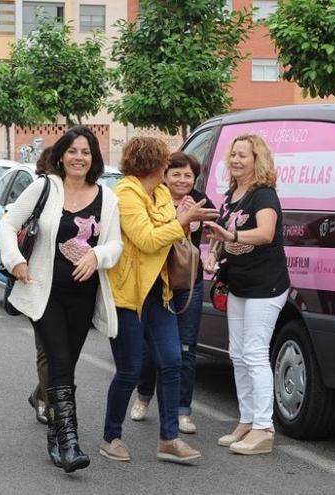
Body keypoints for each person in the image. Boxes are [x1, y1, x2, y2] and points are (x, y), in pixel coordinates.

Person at [0, 126, 123, 473]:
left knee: (64, 364)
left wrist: (97, 255)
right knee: (59, 358)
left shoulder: (106, 197)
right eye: (72, 151)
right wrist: (16, 261)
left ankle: (56, 434)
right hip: (44, 291)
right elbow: (7, 225)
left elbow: (116, 244)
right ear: (62, 155)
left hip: (84, 296)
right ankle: (69, 443)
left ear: (94, 158)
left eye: (85, 151)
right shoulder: (44, 188)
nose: (79, 157)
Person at [100, 137, 218, 464]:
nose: (170, 168)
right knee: (130, 369)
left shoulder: (162, 193)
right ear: (155, 165)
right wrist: (180, 222)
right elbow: (149, 239)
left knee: (172, 361)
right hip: (129, 295)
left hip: (160, 291)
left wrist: (177, 223)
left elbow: (166, 232)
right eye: (165, 162)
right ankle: (111, 436)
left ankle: (169, 439)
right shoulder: (124, 194)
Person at [203, 133, 291, 455]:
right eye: (234, 155)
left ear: (258, 160)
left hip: (265, 286)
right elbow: (222, 234)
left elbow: (266, 233)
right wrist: (215, 253)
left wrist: (233, 234)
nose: (237, 160)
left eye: (244, 155)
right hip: (239, 283)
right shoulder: (231, 194)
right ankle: (247, 420)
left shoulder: (263, 194)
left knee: (254, 353)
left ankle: (264, 428)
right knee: (238, 354)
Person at [130, 152, 214, 435]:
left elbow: (218, 231)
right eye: (175, 173)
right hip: (155, 280)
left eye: (188, 175)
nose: (182, 179)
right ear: (164, 176)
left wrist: (209, 243)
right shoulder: (154, 200)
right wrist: (179, 219)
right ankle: (143, 396)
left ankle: (182, 411)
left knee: (186, 348)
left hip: (188, 281)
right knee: (149, 349)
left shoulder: (201, 201)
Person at [26, 145, 54, 426]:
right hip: (38, 280)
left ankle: (40, 393)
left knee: (63, 350)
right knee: (46, 347)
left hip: (70, 284)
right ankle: (46, 400)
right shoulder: (40, 192)